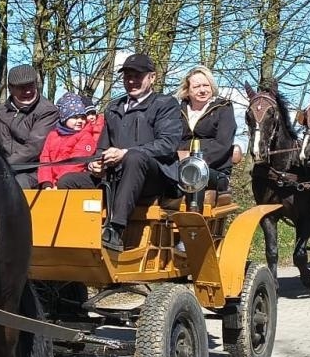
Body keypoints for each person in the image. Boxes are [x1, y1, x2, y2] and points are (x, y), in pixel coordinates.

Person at [58, 52, 183, 252]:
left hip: (153, 177)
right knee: (68, 181)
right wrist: (95, 163)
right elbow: (102, 147)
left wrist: (125, 153)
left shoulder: (165, 104)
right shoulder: (113, 107)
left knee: (134, 158)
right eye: (127, 76)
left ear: (152, 77)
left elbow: (167, 144)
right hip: (114, 175)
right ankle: (73, 238)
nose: (131, 81)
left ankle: (115, 230)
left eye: (137, 76)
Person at [0, 64, 59, 188]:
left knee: (15, 184)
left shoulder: (47, 111)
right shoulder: (0, 112)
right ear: (10, 88)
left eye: (31, 85)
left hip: (35, 171)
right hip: (4, 168)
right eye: (22, 87)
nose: (27, 91)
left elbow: (33, 149)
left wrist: (3, 166)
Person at [164, 66, 238, 196]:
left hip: (214, 170)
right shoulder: (176, 110)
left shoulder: (223, 108)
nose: (202, 90)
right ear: (187, 90)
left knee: (193, 173)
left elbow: (222, 144)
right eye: (197, 86)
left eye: (206, 85)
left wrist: (191, 158)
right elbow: (170, 140)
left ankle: (192, 209)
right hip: (178, 167)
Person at [37, 93, 102, 188]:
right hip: (52, 182)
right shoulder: (53, 135)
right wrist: (46, 182)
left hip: (70, 182)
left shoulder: (85, 136)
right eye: (75, 117)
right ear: (64, 118)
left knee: (66, 181)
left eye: (83, 117)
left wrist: (57, 183)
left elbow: (76, 163)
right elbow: (45, 159)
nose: (80, 121)